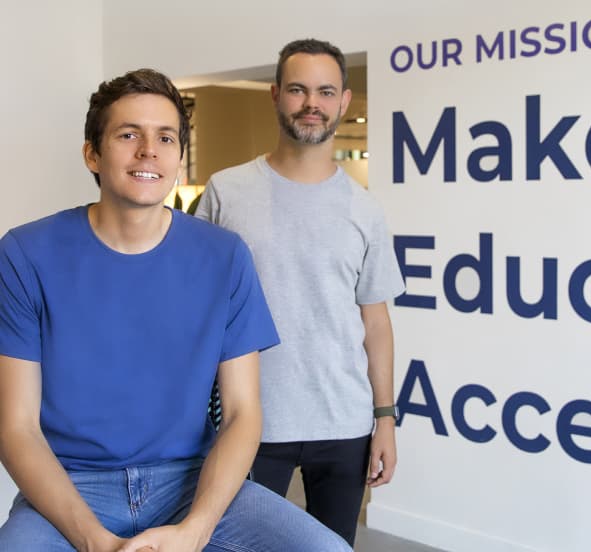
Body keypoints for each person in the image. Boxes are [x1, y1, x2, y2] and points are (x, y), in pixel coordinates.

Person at [0, 68, 351, 552]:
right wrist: (97, 543)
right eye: (128, 135)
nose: (149, 150)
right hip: (71, 486)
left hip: (189, 484)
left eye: (165, 138)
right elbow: (16, 428)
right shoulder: (25, 254)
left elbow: (243, 413)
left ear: (179, 158)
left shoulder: (224, 256)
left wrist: (195, 530)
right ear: (92, 154)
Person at [195, 39, 405, 546]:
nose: (312, 103)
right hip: (249, 420)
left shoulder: (365, 209)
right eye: (298, 89)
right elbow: (196, 307)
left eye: (325, 91)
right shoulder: (226, 191)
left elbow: (375, 322)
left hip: (343, 421)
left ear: (343, 102)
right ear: (275, 95)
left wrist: (385, 419)